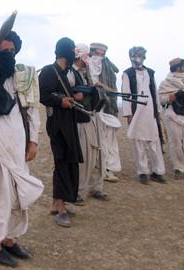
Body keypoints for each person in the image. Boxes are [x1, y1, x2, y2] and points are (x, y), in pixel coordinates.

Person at [0, 29, 44, 268]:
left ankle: (10, 239)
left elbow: (33, 110)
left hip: (19, 146)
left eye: (12, 50)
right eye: (3, 50)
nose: (9, 54)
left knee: (17, 195)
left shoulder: (23, 76)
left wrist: (33, 141)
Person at [39, 37, 83, 227]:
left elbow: (64, 94)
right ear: (66, 51)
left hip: (69, 122)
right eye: (72, 49)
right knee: (62, 161)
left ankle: (57, 203)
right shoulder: (49, 71)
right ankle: (61, 207)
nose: (75, 53)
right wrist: (61, 102)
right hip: (57, 123)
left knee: (68, 160)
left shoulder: (66, 73)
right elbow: (43, 95)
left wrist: (74, 97)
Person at [67, 43, 107, 205]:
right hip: (79, 120)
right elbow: (66, 94)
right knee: (83, 157)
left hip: (92, 117)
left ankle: (94, 187)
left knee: (96, 154)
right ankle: (77, 191)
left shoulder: (86, 73)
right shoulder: (70, 74)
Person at [121, 46, 166, 184]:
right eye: (133, 55)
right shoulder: (127, 74)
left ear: (144, 57)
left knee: (154, 141)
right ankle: (143, 172)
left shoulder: (150, 73)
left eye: (139, 55)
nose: (136, 58)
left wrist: (158, 111)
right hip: (136, 112)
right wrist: (128, 114)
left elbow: (155, 92)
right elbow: (126, 94)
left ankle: (158, 171)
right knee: (138, 142)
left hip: (150, 112)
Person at [88, 42, 122, 182]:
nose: (100, 55)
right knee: (98, 139)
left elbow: (115, 74)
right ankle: (101, 168)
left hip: (108, 107)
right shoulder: (88, 64)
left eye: (103, 53)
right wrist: (104, 88)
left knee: (109, 138)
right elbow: (92, 81)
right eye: (98, 52)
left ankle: (109, 168)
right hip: (94, 107)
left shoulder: (107, 66)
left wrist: (108, 91)